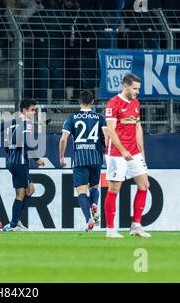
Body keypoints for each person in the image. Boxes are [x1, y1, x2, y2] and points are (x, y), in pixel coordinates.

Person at [103, 73, 151, 239]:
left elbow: (137, 128)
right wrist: (123, 150)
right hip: (117, 153)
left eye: (138, 88)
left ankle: (136, 226)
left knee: (144, 184)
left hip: (134, 152)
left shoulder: (136, 103)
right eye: (135, 88)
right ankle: (110, 229)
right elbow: (110, 130)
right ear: (125, 86)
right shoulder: (113, 103)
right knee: (114, 189)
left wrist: (141, 151)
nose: (137, 91)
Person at [58, 90, 107, 231]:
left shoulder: (72, 118)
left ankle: (89, 219)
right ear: (92, 102)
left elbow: (63, 139)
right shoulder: (100, 118)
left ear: (79, 102)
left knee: (81, 192)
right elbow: (107, 135)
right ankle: (95, 203)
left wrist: (61, 156)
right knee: (94, 187)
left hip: (79, 159)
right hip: (96, 157)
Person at [2, 99, 45, 231]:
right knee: (21, 193)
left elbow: (5, 145)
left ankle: (16, 220)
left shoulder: (12, 123)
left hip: (13, 161)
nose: (34, 113)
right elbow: (27, 143)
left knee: (30, 190)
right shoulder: (27, 123)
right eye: (32, 110)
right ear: (25, 110)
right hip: (20, 162)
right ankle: (12, 225)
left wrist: (12, 156)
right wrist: (37, 158)